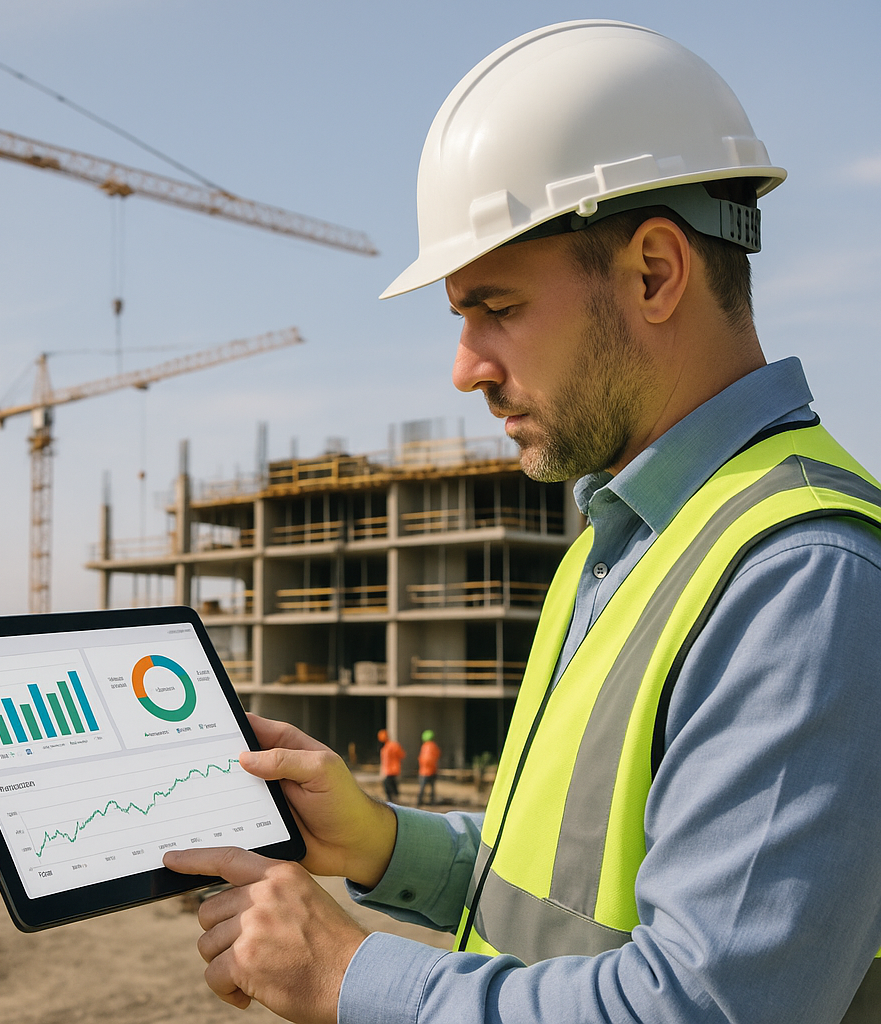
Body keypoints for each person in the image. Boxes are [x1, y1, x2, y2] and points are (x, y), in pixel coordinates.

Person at [164, 21, 881, 1023]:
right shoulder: (617, 544)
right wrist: (375, 839)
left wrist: (344, 974)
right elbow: (564, 897)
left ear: (653, 273)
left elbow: (712, 1005)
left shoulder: (799, 573)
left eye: (494, 307)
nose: (466, 367)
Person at [377, 728, 405, 802]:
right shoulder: (393, 746)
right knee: (392, 784)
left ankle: (391, 798)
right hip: (393, 769)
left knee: (388, 784)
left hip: (390, 770)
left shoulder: (387, 748)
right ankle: (395, 797)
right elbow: (402, 755)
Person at [416, 729, 441, 807]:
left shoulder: (424, 746)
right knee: (432, 788)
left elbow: (423, 759)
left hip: (424, 771)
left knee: (422, 788)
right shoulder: (434, 746)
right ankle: (432, 802)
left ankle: (419, 802)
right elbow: (437, 755)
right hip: (432, 770)